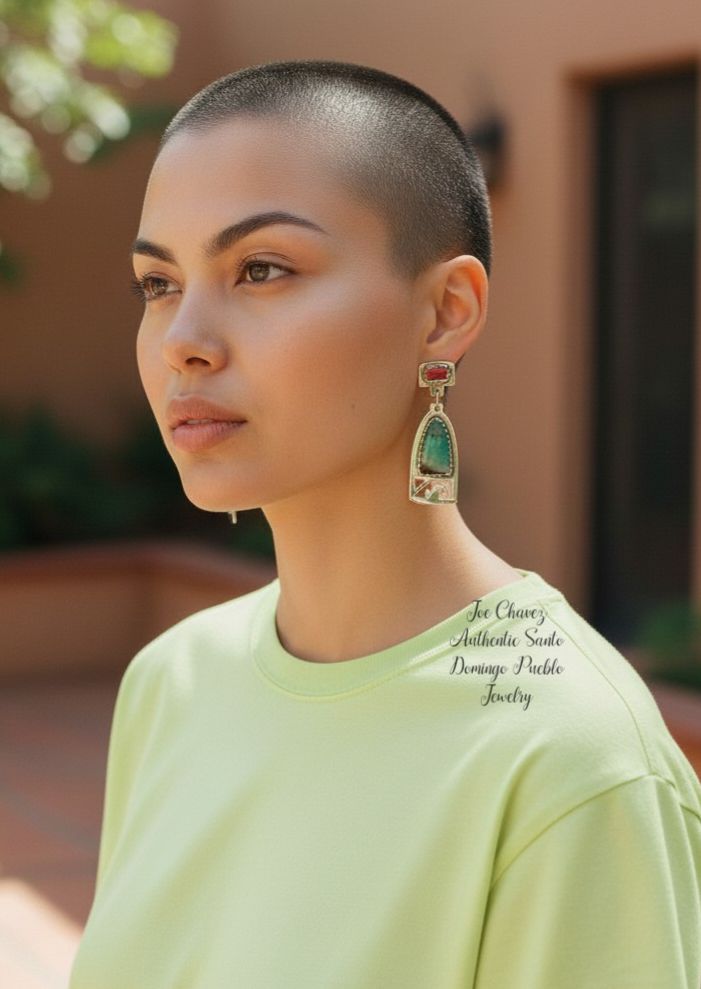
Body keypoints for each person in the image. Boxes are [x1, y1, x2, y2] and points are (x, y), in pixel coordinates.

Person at [69, 59, 701, 988]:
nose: (181, 340)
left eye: (262, 268)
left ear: (445, 312)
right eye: (156, 283)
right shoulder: (172, 682)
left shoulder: (569, 757)